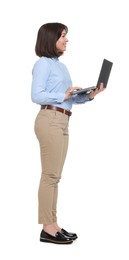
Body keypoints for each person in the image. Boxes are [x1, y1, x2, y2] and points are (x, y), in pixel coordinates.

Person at [31, 22, 105, 244]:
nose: (66, 40)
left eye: (66, 36)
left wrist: (89, 95)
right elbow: (37, 95)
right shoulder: (43, 64)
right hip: (49, 120)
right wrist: (63, 95)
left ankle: (53, 224)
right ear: (49, 39)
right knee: (50, 176)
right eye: (62, 36)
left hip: (63, 120)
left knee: (56, 176)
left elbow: (69, 98)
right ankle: (47, 228)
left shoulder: (61, 67)